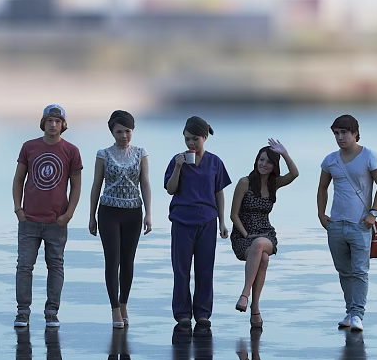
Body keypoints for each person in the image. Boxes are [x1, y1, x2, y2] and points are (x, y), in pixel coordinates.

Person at [12, 104, 83, 329]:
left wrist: (69, 214)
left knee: (56, 266)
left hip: (56, 222)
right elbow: (18, 180)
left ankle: (52, 311)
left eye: (57, 121)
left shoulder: (71, 151)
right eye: (49, 121)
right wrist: (18, 210)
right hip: (29, 220)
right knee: (24, 266)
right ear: (43, 123)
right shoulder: (29, 147)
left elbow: (76, 186)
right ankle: (23, 311)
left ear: (63, 125)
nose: (53, 125)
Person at [317, 115, 377, 332]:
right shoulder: (330, 160)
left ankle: (358, 314)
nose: (340, 137)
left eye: (344, 133)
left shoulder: (369, 156)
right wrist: (321, 214)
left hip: (360, 224)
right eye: (336, 133)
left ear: (355, 133)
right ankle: (350, 310)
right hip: (336, 224)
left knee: (360, 271)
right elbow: (322, 188)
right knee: (344, 271)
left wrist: (373, 213)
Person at [164, 116, 231, 328]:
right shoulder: (178, 160)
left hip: (207, 221)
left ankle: (203, 312)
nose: (190, 143)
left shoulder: (215, 162)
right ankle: (182, 313)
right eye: (186, 139)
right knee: (181, 269)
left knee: (204, 269)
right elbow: (170, 189)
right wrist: (177, 167)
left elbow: (219, 192)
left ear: (204, 137)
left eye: (195, 139)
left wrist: (222, 222)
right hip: (182, 221)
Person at [88, 110, 152, 329]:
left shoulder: (141, 153)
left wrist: (149, 213)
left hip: (133, 212)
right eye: (119, 132)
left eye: (127, 131)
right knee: (112, 260)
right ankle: (115, 308)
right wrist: (91, 216)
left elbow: (145, 183)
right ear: (112, 132)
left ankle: (124, 303)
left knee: (128, 261)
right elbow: (96, 184)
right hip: (108, 212)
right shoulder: (103, 154)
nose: (124, 135)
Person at [230, 139, 299, 328]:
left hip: (266, 234)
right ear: (256, 161)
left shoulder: (274, 183)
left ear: (274, 166)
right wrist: (245, 235)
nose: (264, 164)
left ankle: (245, 294)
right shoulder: (244, 182)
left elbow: (295, 174)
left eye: (269, 161)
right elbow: (233, 215)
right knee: (264, 259)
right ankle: (255, 309)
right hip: (243, 235)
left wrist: (284, 153)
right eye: (261, 160)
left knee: (260, 244)